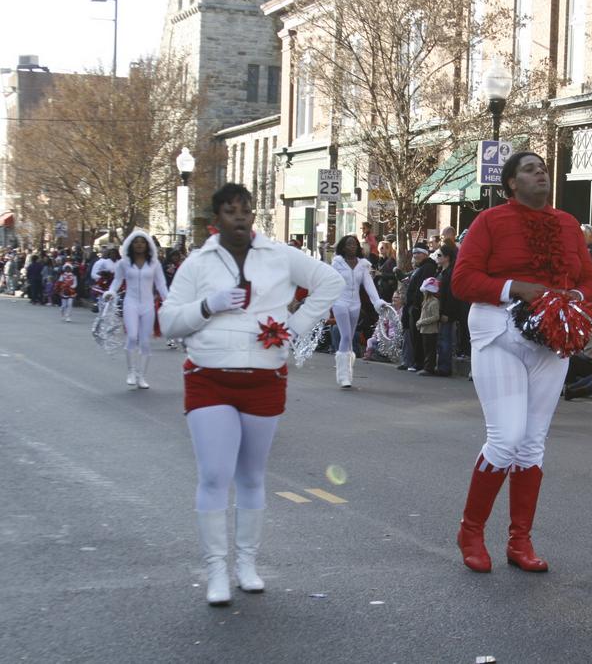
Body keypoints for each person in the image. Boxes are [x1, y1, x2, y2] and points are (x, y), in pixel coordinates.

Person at [160, 183, 344, 606]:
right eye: (230, 211)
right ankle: (215, 571)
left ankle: (246, 565)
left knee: (251, 476)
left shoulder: (279, 256)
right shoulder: (198, 262)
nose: (240, 218)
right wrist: (209, 305)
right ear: (216, 218)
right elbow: (169, 321)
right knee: (214, 475)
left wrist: (295, 329)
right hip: (209, 378)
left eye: (245, 211)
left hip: (264, 379)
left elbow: (329, 282)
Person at [450, 151, 592, 573]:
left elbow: (590, 280)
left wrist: (577, 298)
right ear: (512, 183)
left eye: (544, 168)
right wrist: (517, 287)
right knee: (506, 436)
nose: (541, 173)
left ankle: (520, 540)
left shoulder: (569, 224)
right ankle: (471, 530)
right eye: (530, 169)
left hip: (552, 338)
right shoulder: (489, 221)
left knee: (532, 443)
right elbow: (462, 280)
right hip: (499, 333)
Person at [104, 230, 169, 389]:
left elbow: (161, 285)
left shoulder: (155, 264)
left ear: (147, 245)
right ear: (131, 245)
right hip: (130, 303)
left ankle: (142, 376)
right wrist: (111, 292)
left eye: (142, 242)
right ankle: (131, 371)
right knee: (132, 336)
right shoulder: (123, 263)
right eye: (136, 241)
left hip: (148, 305)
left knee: (145, 341)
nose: (139, 244)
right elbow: (117, 281)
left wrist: (169, 300)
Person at [330, 234, 388, 388]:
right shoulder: (337, 263)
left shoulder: (363, 265)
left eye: (354, 244)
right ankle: (343, 375)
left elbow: (369, 285)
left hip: (355, 304)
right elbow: (330, 283)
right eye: (348, 244)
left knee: (350, 337)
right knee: (346, 335)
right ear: (343, 247)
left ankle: (348, 372)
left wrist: (377, 301)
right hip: (340, 303)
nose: (352, 247)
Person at [401, 242, 437, 371]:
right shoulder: (419, 268)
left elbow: (422, 289)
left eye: (418, 253)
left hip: (419, 307)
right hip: (413, 306)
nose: (415, 255)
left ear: (425, 254)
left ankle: (419, 363)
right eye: (414, 253)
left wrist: (416, 304)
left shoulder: (427, 267)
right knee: (413, 335)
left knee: (419, 336)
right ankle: (415, 361)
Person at [434, 243, 459, 376]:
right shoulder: (441, 272)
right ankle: (441, 365)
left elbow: (451, 295)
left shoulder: (450, 273)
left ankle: (444, 367)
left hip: (447, 311)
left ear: (447, 257)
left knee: (445, 338)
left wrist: (446, 313)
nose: (437, 257)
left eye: (439, 255)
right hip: (438, 309)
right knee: (442, 338)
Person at [415, 277, 441, 375]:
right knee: (426, 349)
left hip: (430, 330)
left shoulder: (434, 302)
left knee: (430, 350)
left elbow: (435, 317)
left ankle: (429, 368)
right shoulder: (426, 301)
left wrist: (422, 322)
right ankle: (427, 366)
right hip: (425, 329)